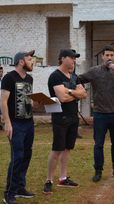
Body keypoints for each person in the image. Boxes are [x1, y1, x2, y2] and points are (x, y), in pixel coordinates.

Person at [79, 45, 114, 183]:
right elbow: (80, 78)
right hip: (99, 114)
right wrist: (66, 75)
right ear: (102, 56)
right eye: (107, 55)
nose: (109, 57)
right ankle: (98, 171)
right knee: (98, 144)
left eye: (112, 55)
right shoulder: (95, 71)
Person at [43, 49, 87, 194]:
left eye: (75, 58)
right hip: (60, 117)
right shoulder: (55, 76)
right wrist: (75, 93)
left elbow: (84, 94)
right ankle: (49, 180)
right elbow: (61, 98)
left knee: (67, 148)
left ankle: (63, 178)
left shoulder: (75, 77)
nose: (74, 60)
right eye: (72, 58)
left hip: (73, 116)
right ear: (63, 58)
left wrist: (69, 92)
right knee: (57, 149)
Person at [0, 51, 41, 204]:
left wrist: (35, 104)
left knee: (25, 156)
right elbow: (3, 101)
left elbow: (27, 101)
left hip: (29, 123)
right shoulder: (9, 78)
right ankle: (9, 194)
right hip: (15, 125)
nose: (32, 62)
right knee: (17, 158)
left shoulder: (29, 79)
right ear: (21, 62)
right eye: (30, 59)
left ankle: (19, 188)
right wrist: (7, 123)